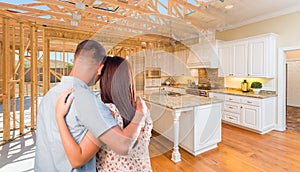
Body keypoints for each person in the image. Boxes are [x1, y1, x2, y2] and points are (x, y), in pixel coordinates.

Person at [34, 40, 148, 172]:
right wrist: (140, 114)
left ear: (75, 59)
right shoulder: (89, 102)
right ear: (100, 68)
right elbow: (123, 146)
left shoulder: (49, 96)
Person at [56, 56, 153, 171]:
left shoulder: (107, 112)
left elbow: (78, 159)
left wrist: (59, 117)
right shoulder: (141, 107)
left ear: (105, 80)